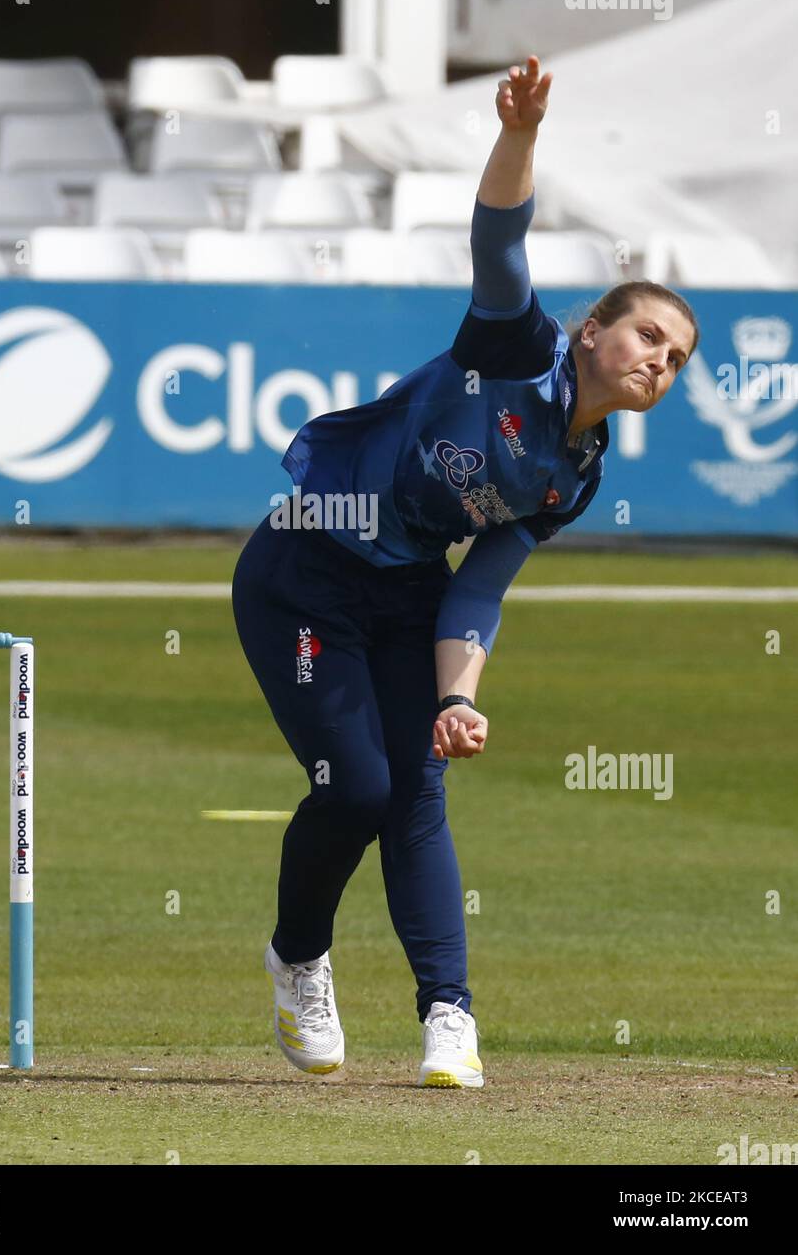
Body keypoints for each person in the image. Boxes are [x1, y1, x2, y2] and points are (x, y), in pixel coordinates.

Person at [231, 55, 699, 1088]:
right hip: (302, 570)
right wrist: (521, 132)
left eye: (674, 359)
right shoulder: (512, 344)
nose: (657, 361)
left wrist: (456, 697)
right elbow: (498, 237)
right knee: (352, 786)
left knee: (417, 792)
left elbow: (477, 585)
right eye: (646, 335)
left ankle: (449, 1015)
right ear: (593, 330)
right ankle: (299, 956)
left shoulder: (571, 478)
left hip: (402, 592)